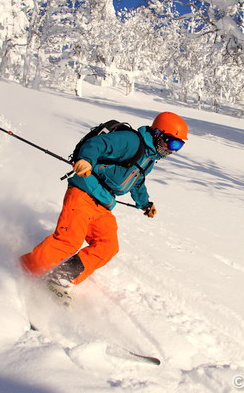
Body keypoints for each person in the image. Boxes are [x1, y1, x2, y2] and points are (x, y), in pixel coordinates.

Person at [19, 112, 188, 302]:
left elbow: (138, 182)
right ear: (158, 134)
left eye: (179, 146)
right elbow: (97, 145)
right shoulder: (131, 141)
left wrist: (145, 204)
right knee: (68, 241)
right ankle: (22, 271)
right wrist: (86, 161)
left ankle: (60, 278)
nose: (173, 150)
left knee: (107, 246)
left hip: (104, 203)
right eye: (172, 143)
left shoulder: (149, 158)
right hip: (84, 192)